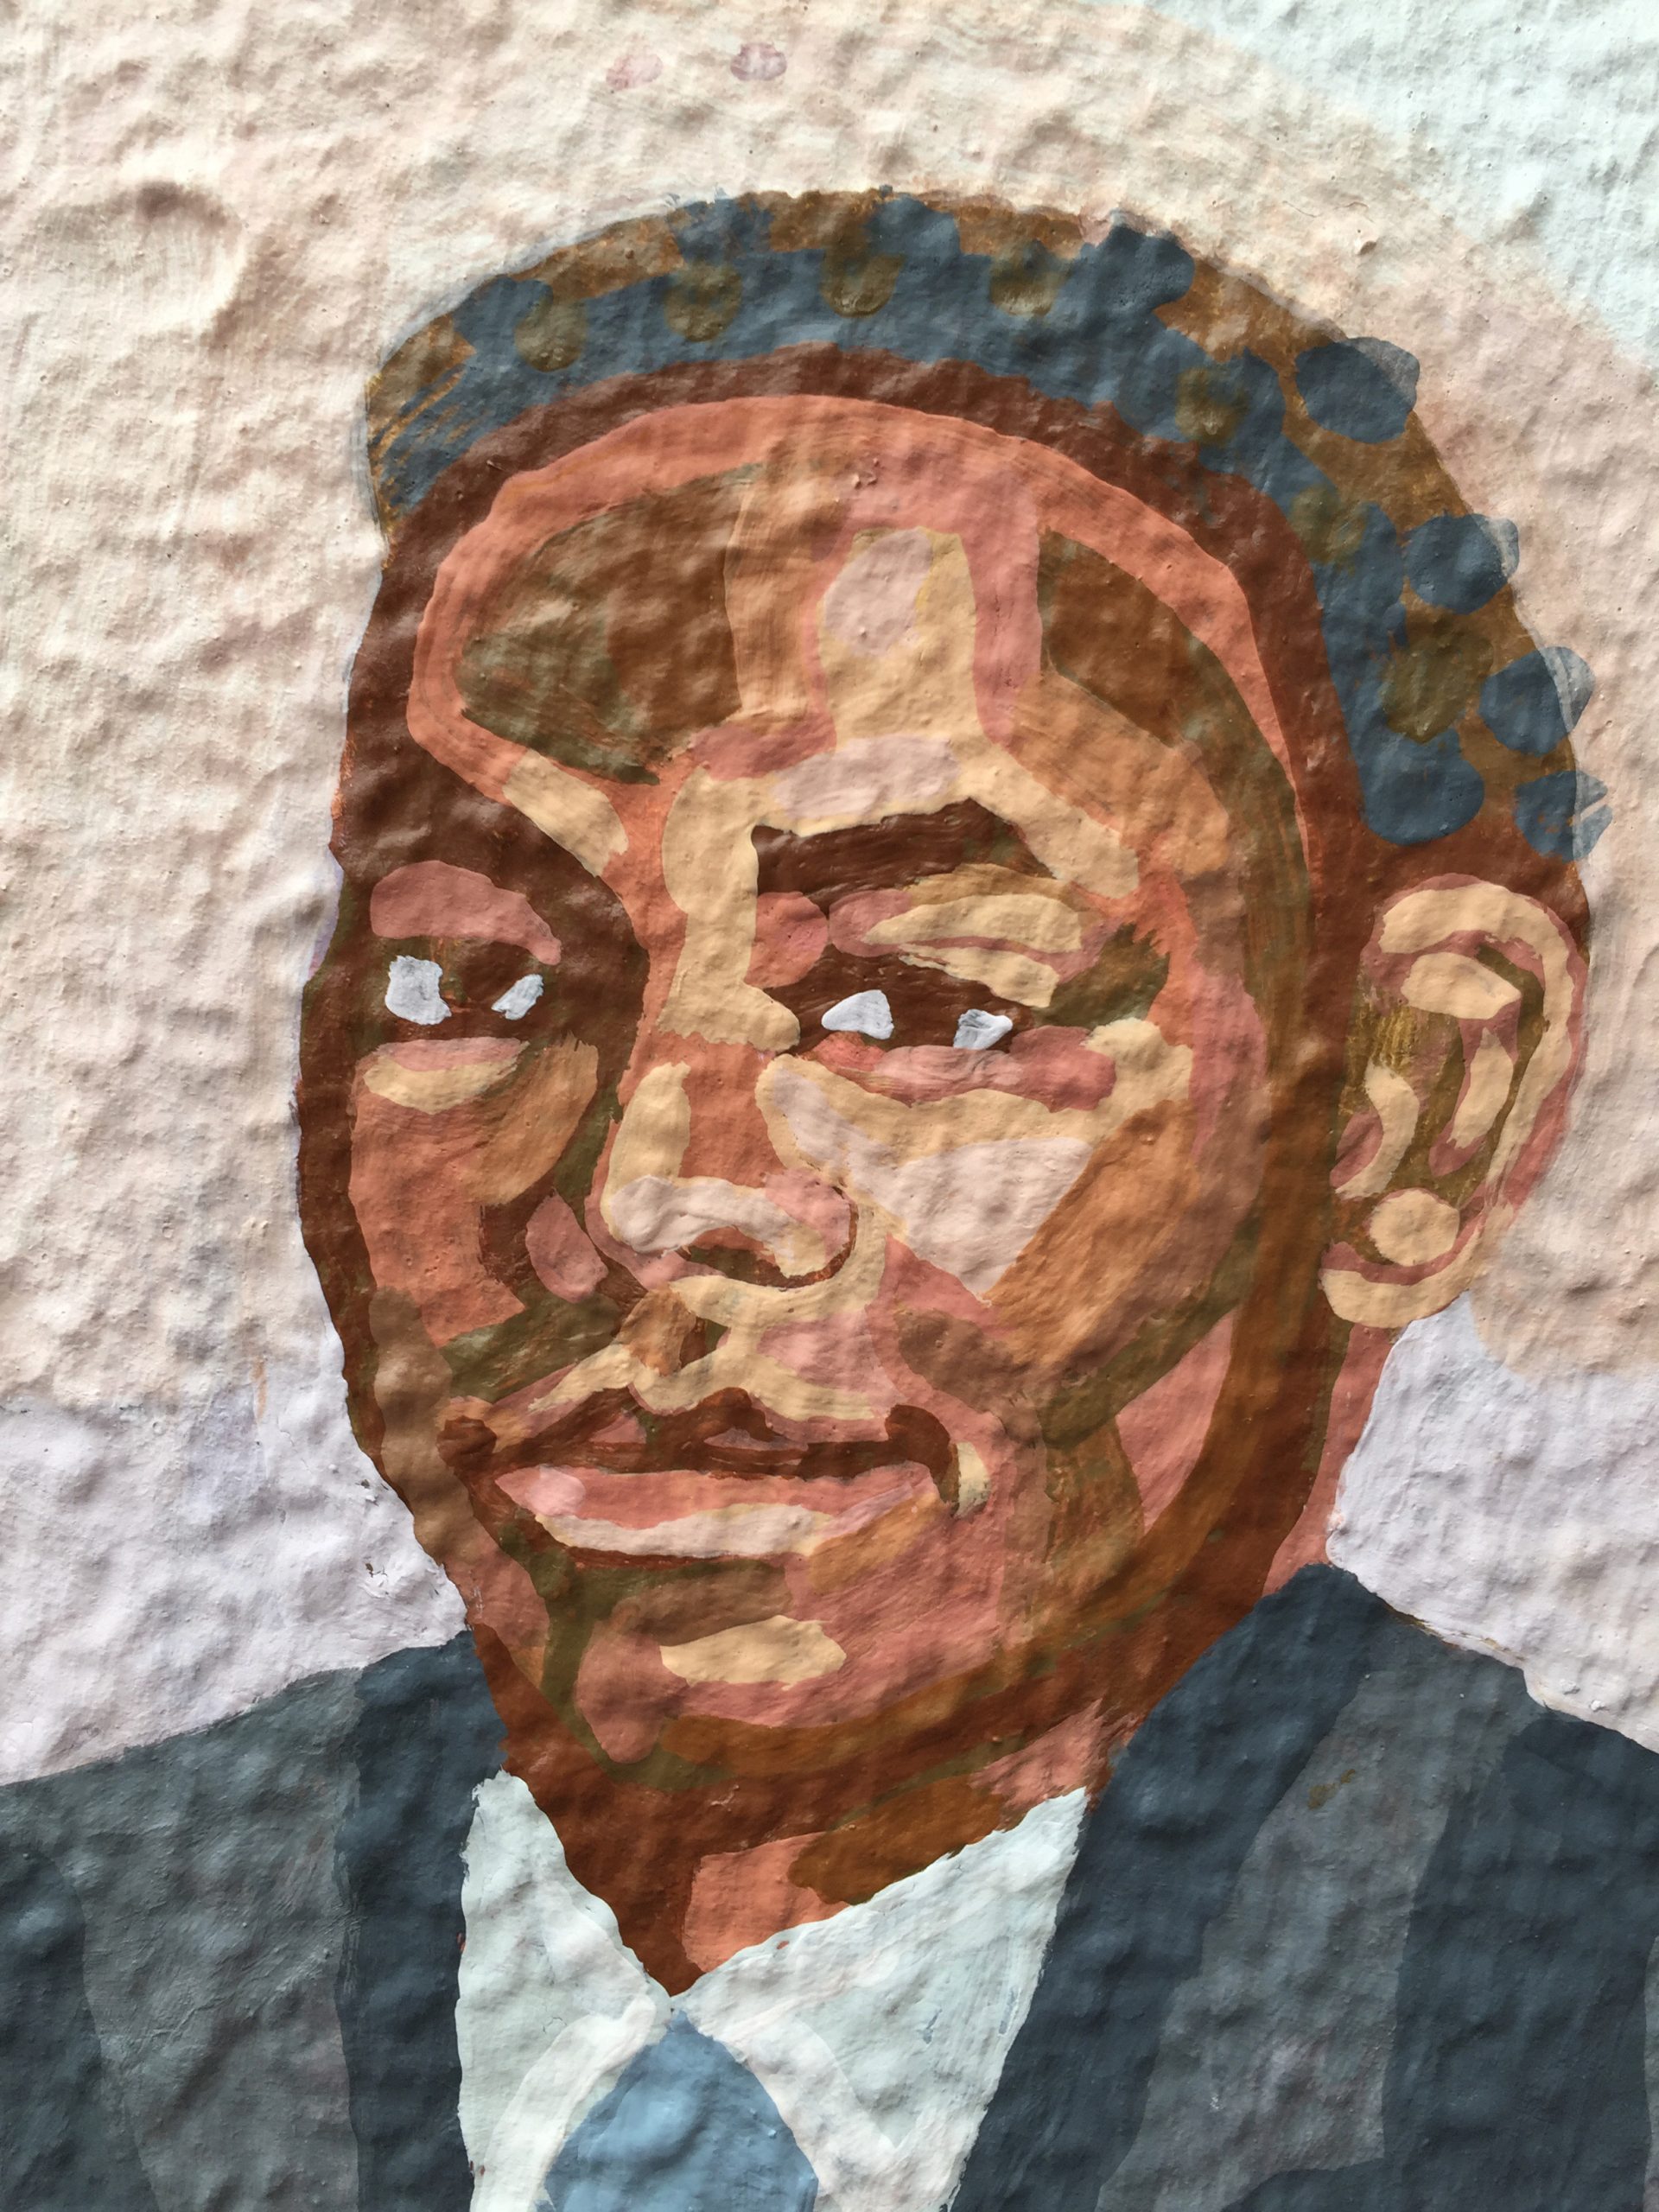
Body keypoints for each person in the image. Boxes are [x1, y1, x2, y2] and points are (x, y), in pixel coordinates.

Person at [3, 191, 1649, 2212]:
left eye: (918, 1006)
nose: (649, 1182)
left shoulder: (1585, 2030)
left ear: (1417, 1112)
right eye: (474, 983)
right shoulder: (68, 1987)